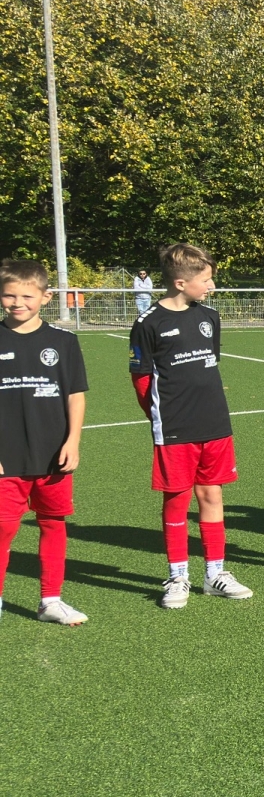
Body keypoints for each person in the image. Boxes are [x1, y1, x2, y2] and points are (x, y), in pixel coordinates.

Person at [130, 242, 252, 607]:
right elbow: (141, 379)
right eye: (206, 280)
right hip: (174, 428)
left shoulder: (209, 317)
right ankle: (178, 575)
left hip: (214, 422)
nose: (212, 286)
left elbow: (209, 365)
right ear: (181, 282)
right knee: (177, 499)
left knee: (212, 496)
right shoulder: (148, 323)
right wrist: (160, 416)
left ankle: (215, 573)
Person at [0, 258, 88, 625]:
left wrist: (73, 441)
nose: (17, 303)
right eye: (9, 295)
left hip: (53, 454)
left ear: (45, 297)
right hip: (6, 456)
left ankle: (50, 600)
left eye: (26, 296)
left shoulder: (63, 342)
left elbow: (75, 395)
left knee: (53, 523)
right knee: (3, 528)